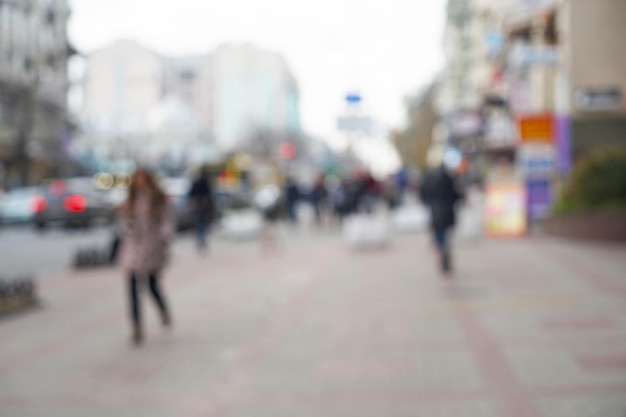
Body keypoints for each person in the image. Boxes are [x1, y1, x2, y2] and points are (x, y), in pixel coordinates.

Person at [119, 168, 175, 346]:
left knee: (151, 285)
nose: (139, 182)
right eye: (137, 179)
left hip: (152, 247)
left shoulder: (158, 198)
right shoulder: (131, 199)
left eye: (142, 179)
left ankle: (163, 310)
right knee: (132, 286)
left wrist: (163, 239)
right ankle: (136, 326)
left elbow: (167, 221)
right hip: (133, 246)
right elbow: (127, 223)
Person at [420, 154, 463, 274]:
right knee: (445, 232)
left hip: (434, 209)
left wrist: (428, 203)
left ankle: (441, 247)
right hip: (447, 209)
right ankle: (444, 248)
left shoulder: (427, 178)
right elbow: (456, 194)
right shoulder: (448, 177)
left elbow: (422, 193)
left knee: (438, 231)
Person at [189, 170, 215, 252]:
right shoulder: (204, 183)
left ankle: (200, 240)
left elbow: (190, 194)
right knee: (202, 224)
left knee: (200, 224)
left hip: (199, 207)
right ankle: (201, 240)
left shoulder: (196, 183)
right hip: (202, 208)